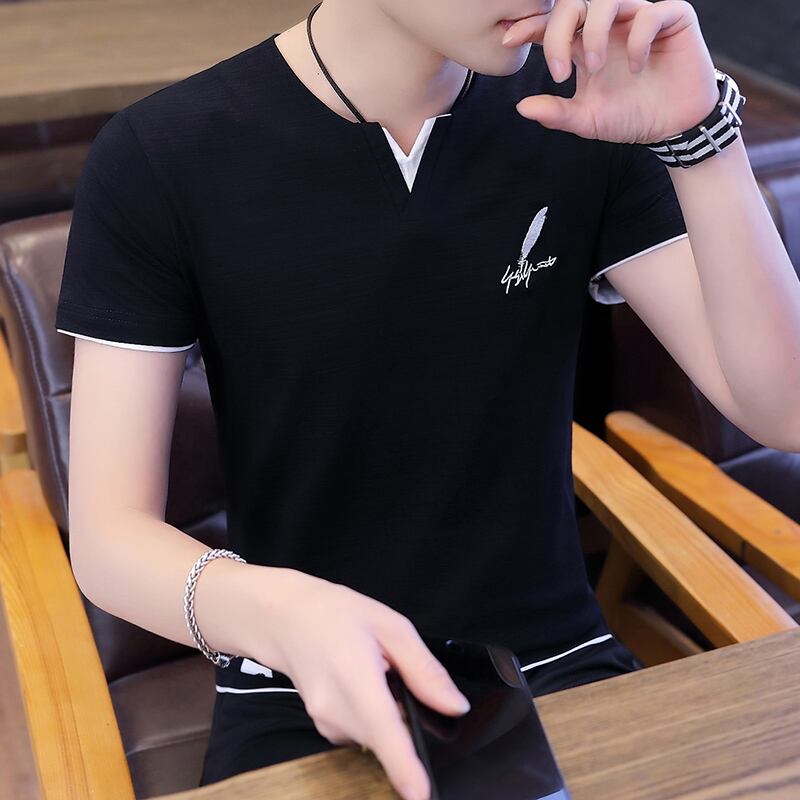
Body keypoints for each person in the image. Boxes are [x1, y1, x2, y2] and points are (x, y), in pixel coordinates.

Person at [57, 1, 799, 799]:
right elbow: (107, 537)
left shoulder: (584, 109)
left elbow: (783, 412)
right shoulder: (163, 153)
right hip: (298, 683)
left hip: (552, 664)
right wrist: (280, 614)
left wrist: (699, 137)